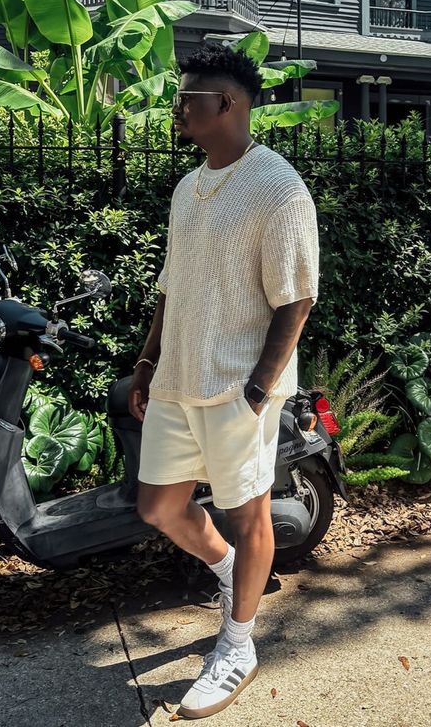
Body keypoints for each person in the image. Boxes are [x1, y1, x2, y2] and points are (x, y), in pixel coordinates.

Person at [128, 42, 319, 719]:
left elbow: (296, 297)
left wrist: (260, 388)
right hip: (179, 376)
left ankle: (238, 644)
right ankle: (230, 575)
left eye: (190, 100)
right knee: (159, 505)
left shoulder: (278, 187)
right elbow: (169, 284)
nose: (178, 109)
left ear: (229, 105)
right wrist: (148, 359)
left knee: (249, 513)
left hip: (240, 383)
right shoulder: (189, 186)